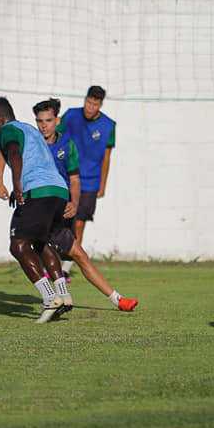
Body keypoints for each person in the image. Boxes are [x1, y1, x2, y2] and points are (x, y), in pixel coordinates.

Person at [34, 98, 137, 312]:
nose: (44, 125)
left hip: (58, 212)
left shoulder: (67, 145)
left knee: (78, 254)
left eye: (48, 120)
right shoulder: (31, 144)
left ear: (57, 121)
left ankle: (118, 299)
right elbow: (6, 153)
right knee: (36, 250)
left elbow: (74, 179)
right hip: (36, 211)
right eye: (39, 121)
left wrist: (73, 202)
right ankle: (55, 298)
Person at [0, 96, 71, 323]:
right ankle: (64, 295)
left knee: (18, 245)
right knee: (40, 242)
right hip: (58, 191)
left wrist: (17, 185)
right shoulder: (29, 129)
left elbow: (14, 153)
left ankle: (49, 298)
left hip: (38, 191)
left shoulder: (6, 130)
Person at [57, 85, 115, 276]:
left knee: (79, 222)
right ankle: (54, 259)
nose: (90, 107)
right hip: (66, 178)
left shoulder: (108, 125)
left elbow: (106, 157)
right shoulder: (71, 115)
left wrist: (102, 185)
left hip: (90, 182)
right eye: (88, 102)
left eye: (95, 104)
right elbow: (54, 137)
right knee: (60, 220)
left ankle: (65, 268)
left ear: (100, 105)